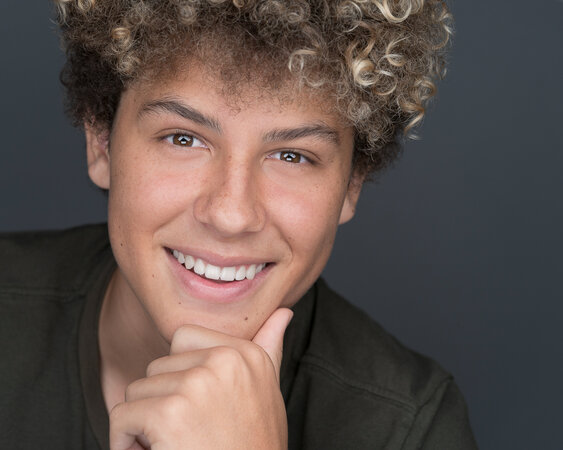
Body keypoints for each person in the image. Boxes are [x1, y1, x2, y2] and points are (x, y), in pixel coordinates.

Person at [0, 0, 477, 448]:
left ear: (352, 185)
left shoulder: (411, 430)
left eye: (292, 156)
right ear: (101, 143)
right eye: (183, 139)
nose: (231, 215)